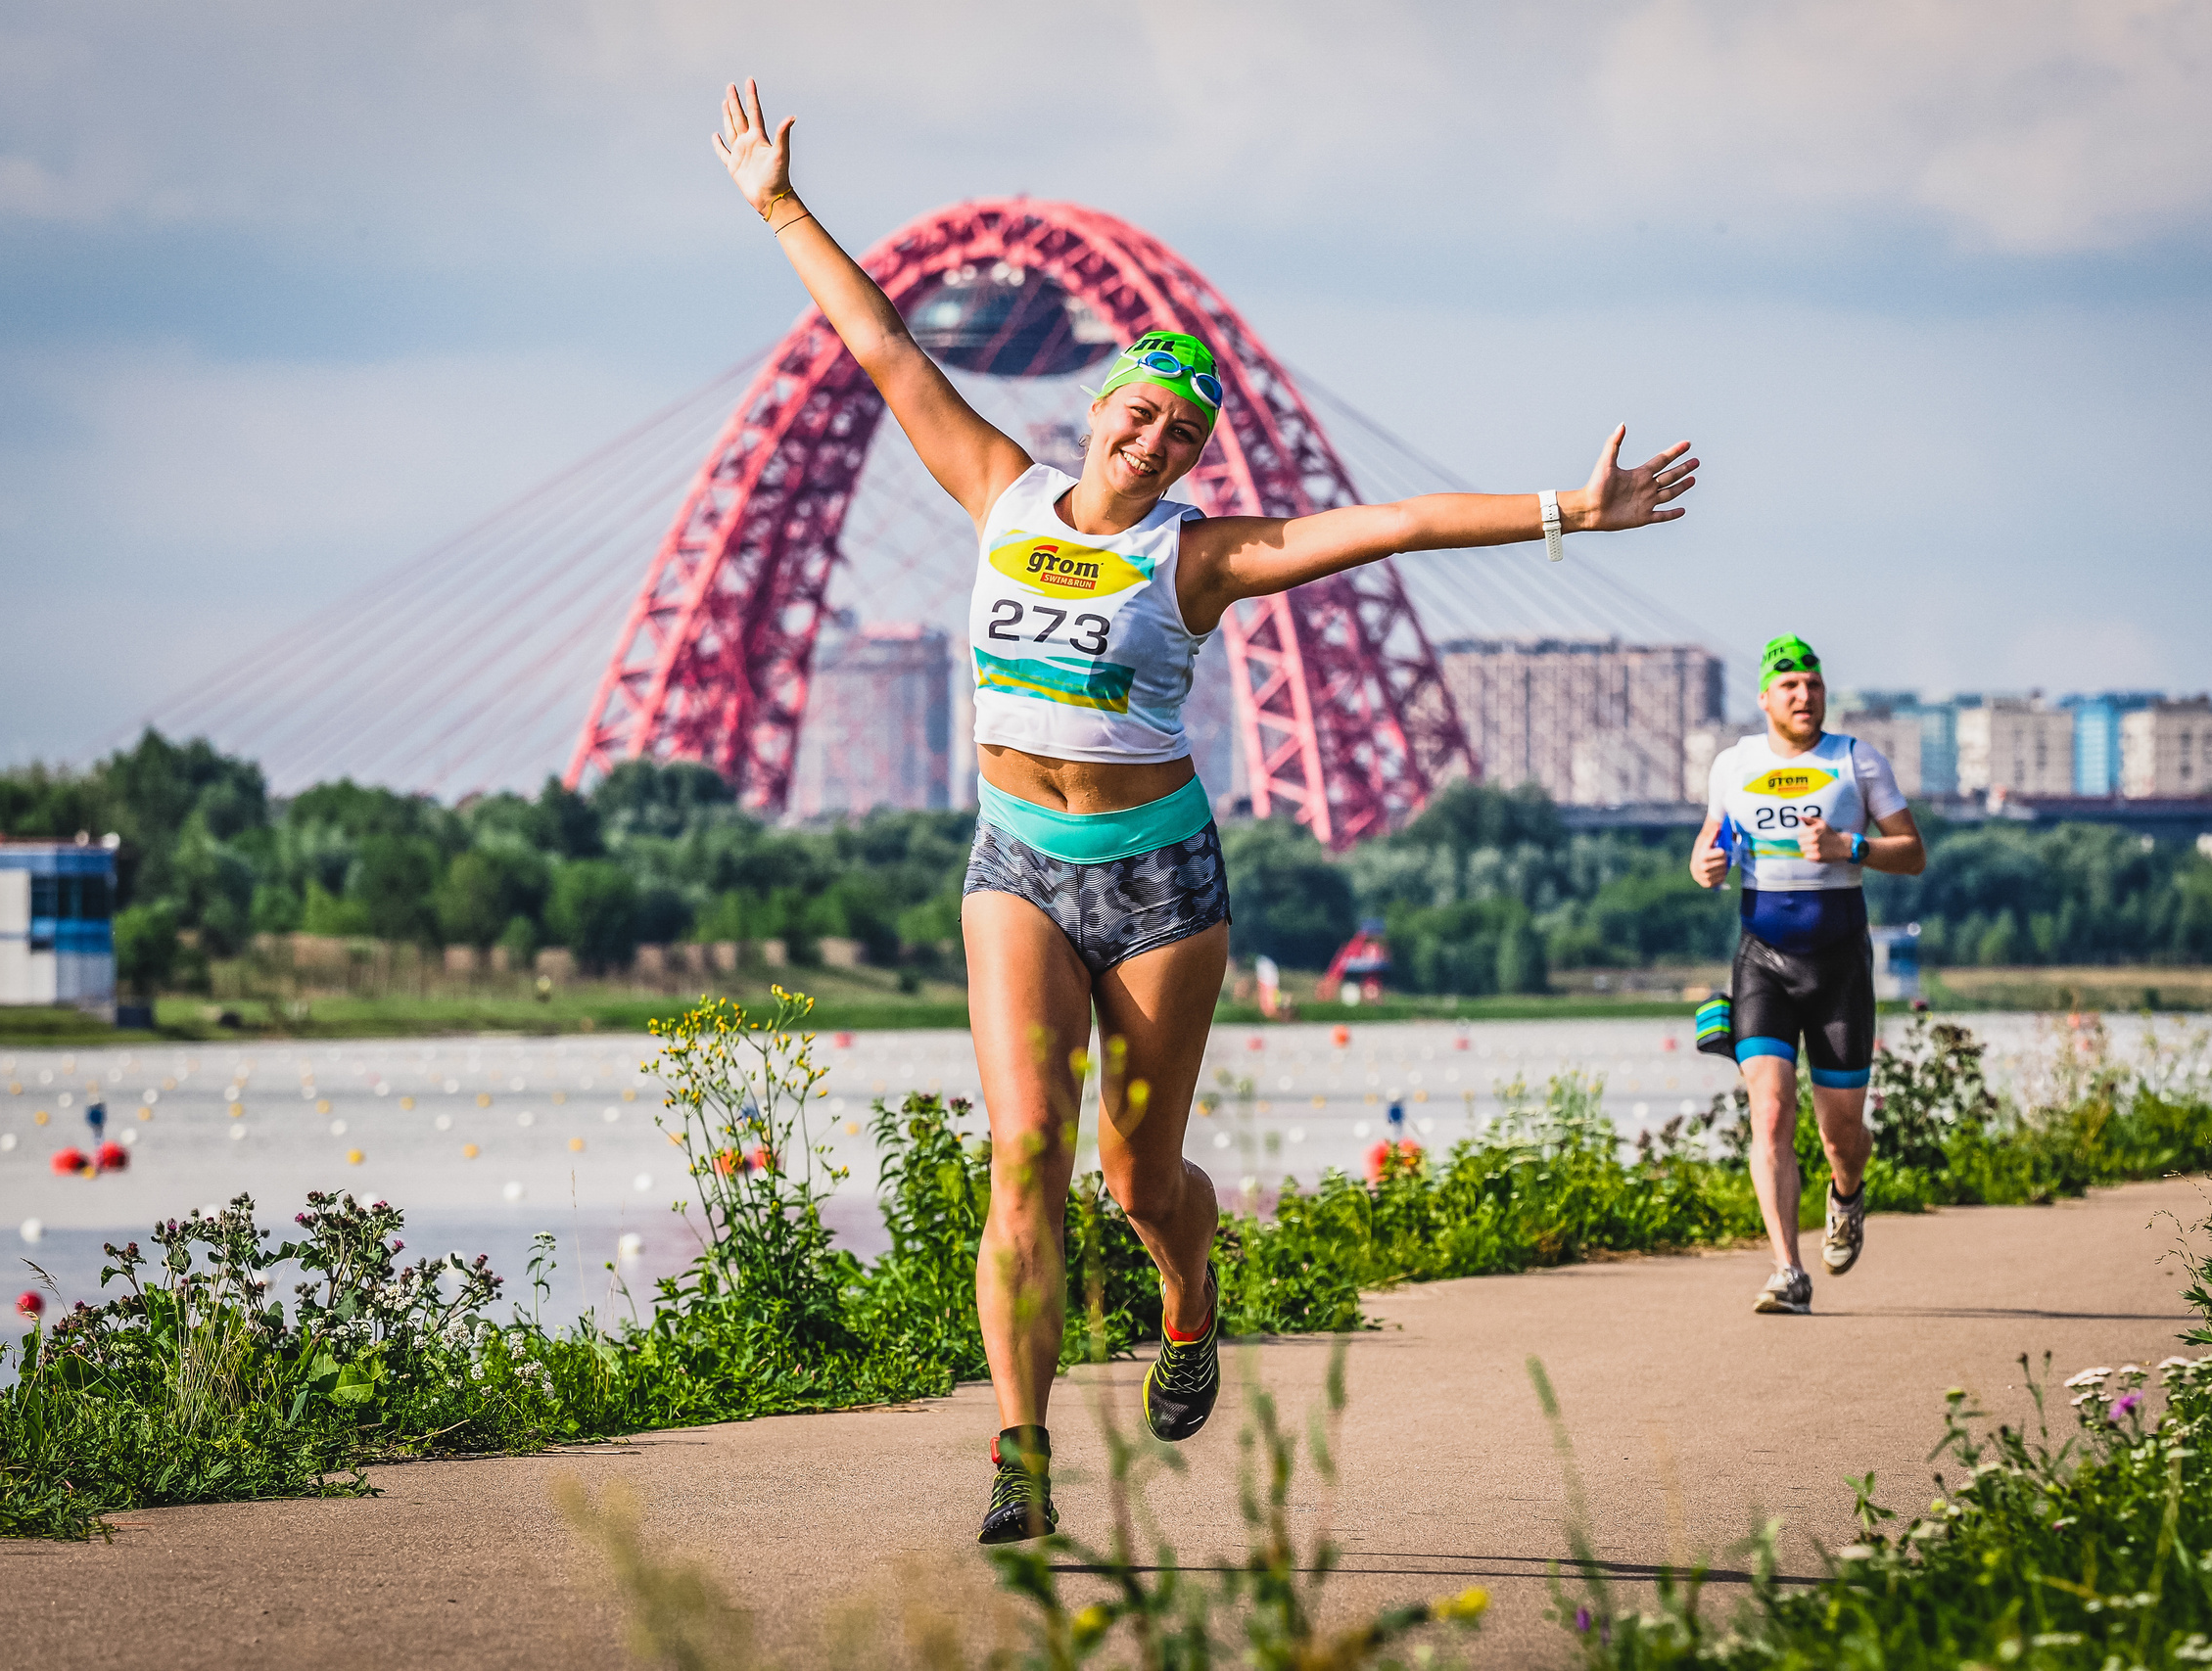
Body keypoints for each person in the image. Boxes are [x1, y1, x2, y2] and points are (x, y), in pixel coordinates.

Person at [711, 76, 1700, 1542]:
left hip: (1159, 877)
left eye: (1183, 430)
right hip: (1015, 865)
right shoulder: (999, 490)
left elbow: (1402, 524)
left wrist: (1569, 508)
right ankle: (1021, 1450)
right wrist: (779, 202)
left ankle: (1191, 1293)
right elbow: (881, 345)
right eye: (1142, 413)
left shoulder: (1209, 554)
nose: (1156, 440)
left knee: (1135, 1172)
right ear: (1096, 407)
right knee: (1025, 1151)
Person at [1689, 636, 1924, 1315]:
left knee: (1839, 1135)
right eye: (1789, 685)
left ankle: (1846, 1193)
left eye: (1813, 684)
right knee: (1769, 1111)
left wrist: (1850, 847)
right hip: (1761, 957)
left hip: (1839, 963)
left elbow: (1912, 853)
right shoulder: (1734, 764)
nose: (1804, 695)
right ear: (1764, 697)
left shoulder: (1856, 761)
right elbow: (1710, 847)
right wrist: (1703, 866)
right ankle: (1787, 1270)